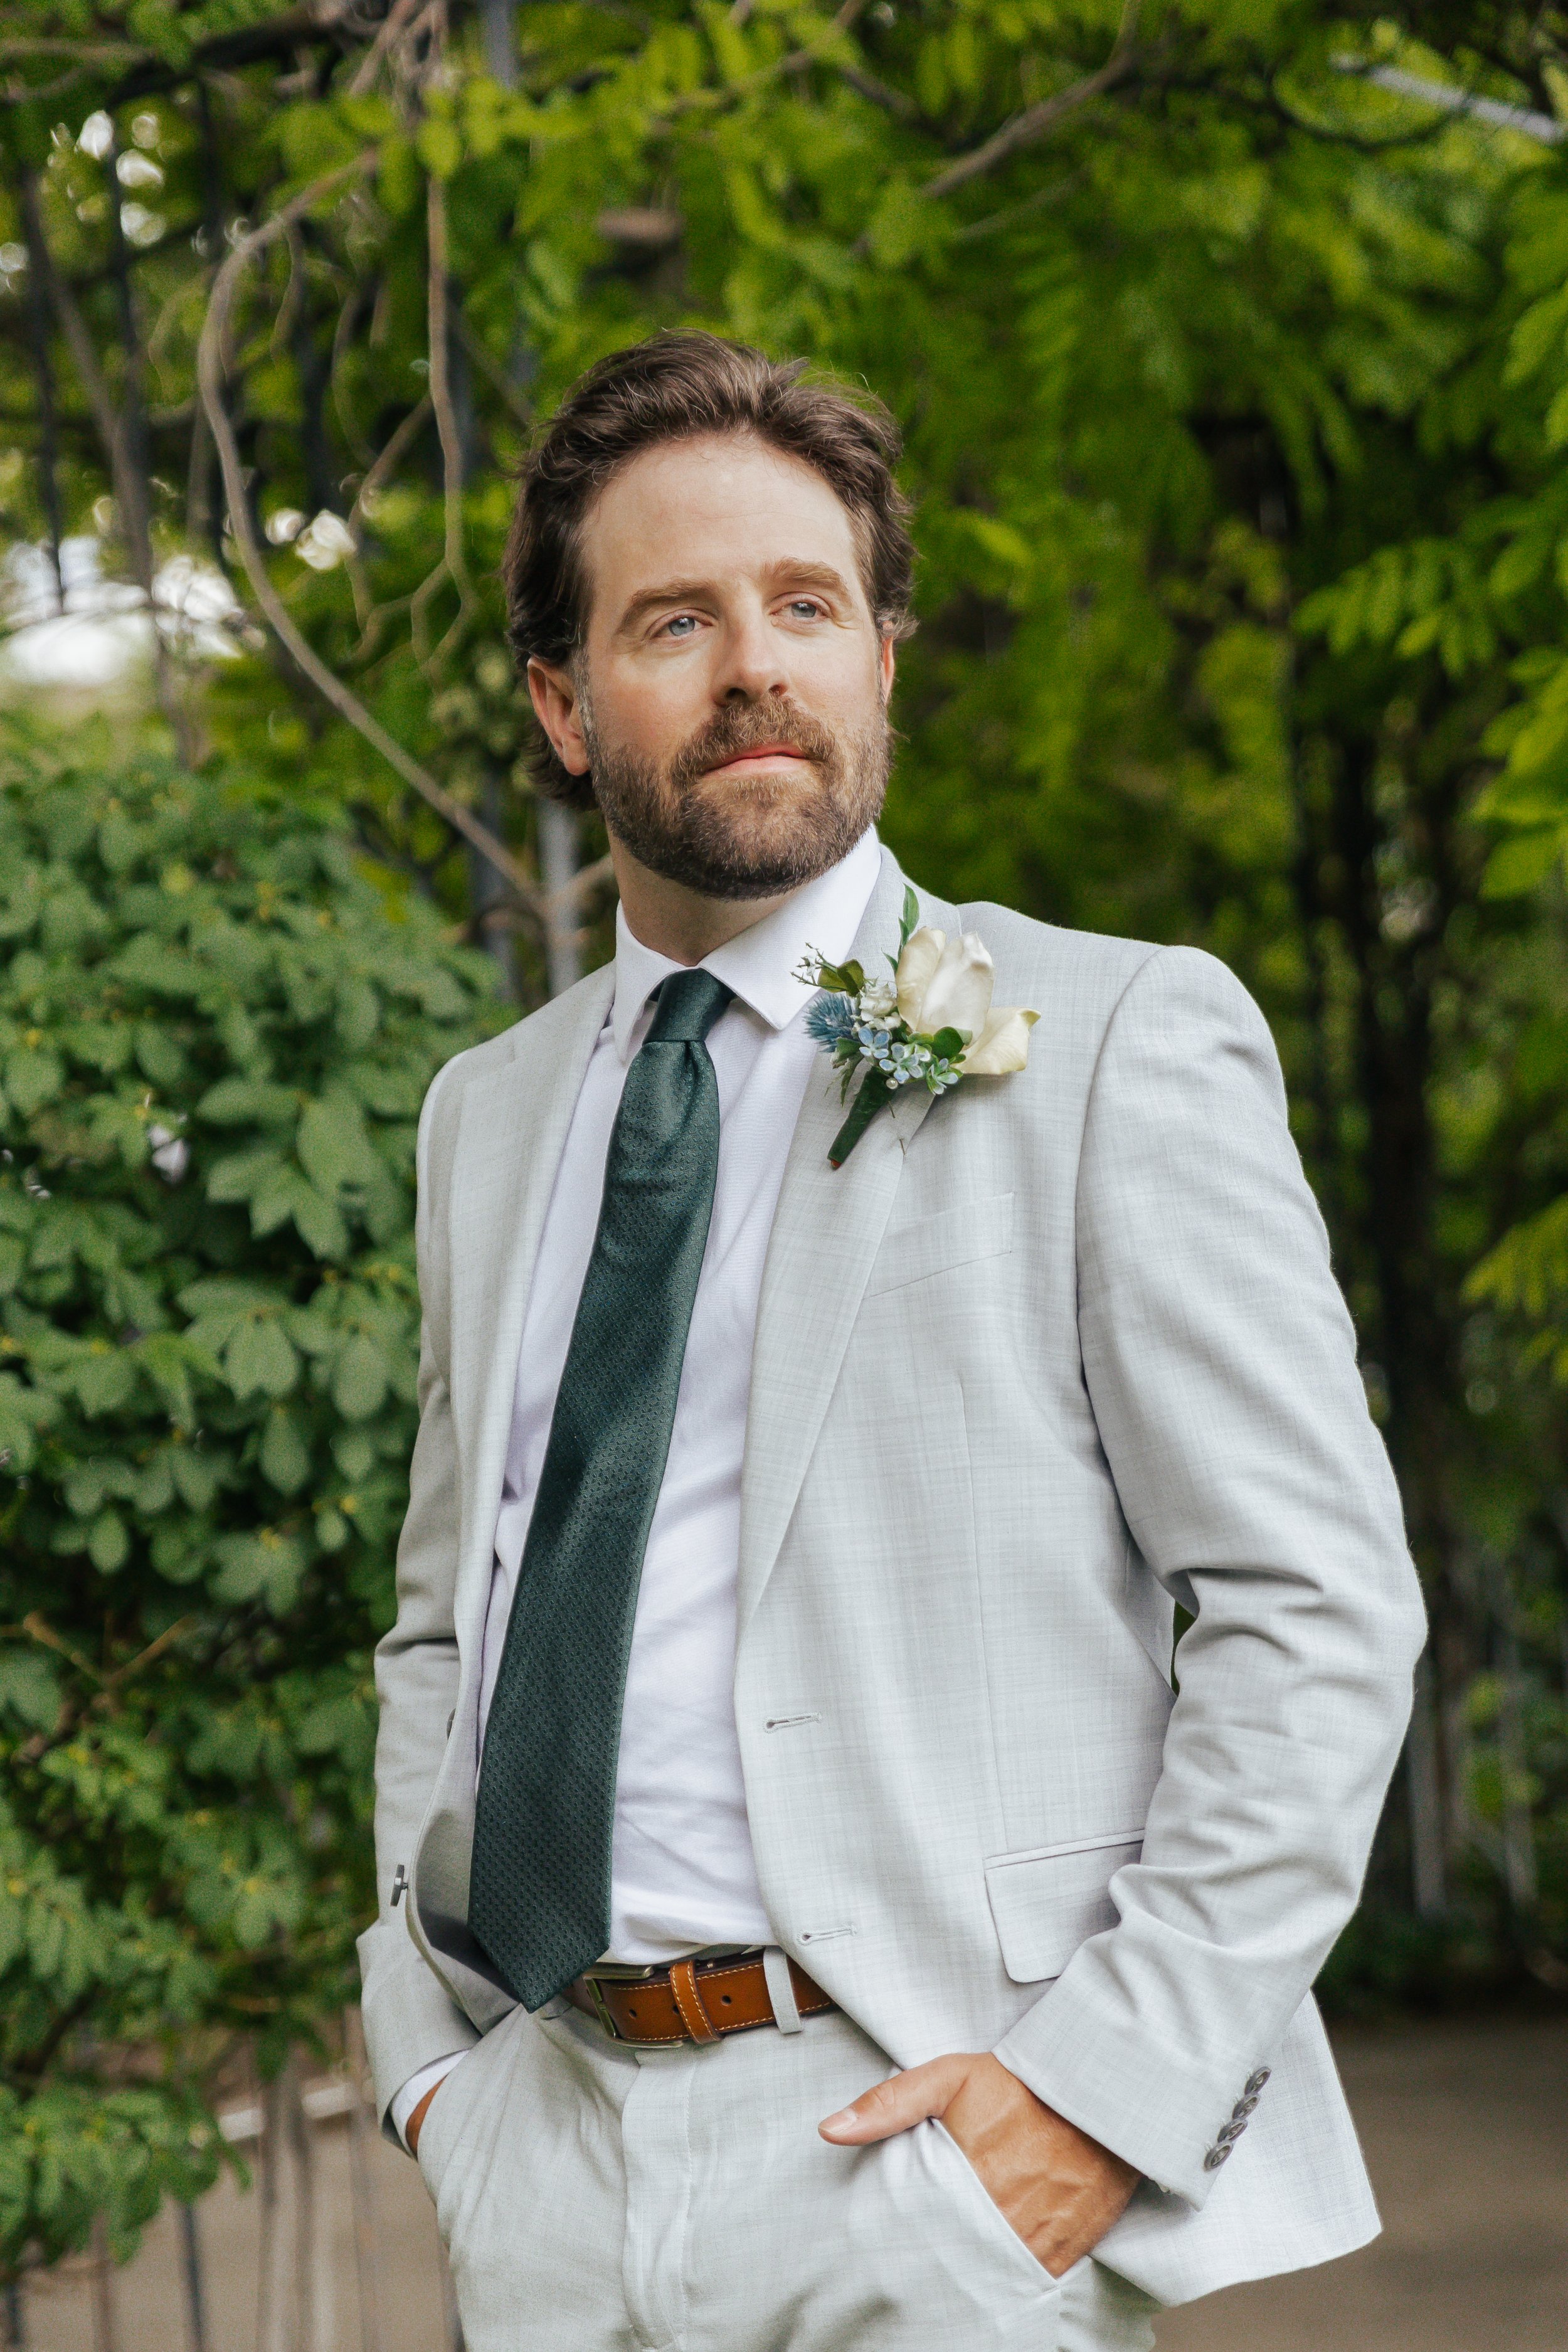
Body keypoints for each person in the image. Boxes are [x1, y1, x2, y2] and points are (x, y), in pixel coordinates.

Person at [357, 332, 1426, 2352]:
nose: (754, 663)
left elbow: (1311, 1609)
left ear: (879, 659)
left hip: (930, 2165)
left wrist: (1088, 2107)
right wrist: (431, 2061)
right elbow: (446, 1620)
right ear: (561, 704)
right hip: (543, 2152)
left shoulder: (1115, 1041)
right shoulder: (482, 1118)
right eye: (673, 618)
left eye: (806, 606)